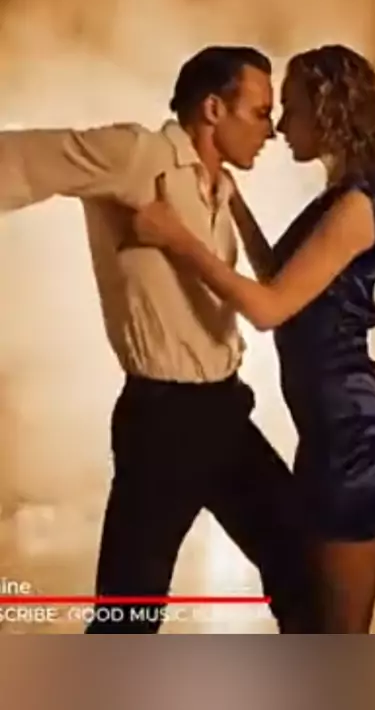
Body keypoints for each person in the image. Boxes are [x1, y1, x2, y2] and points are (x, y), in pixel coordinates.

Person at [0, 46, 323, 634]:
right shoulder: (137, 155)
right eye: (259, 112)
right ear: (212, 109)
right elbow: (23, 159)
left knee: (303, 571)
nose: (272, 130)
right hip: (162, 422)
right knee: (129, 615)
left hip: (226, 412)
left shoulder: (220, 186)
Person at [133, 44, 375, 634]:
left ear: (328, 112)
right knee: (310, 617)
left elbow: (268, 310)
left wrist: (178, 240)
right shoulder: (338, 199)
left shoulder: (355, 207)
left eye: (291, 109)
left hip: (355, 432)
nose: (281, 127)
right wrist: (233, 203)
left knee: (336, 634)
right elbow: (278, 278)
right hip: (329, 427)